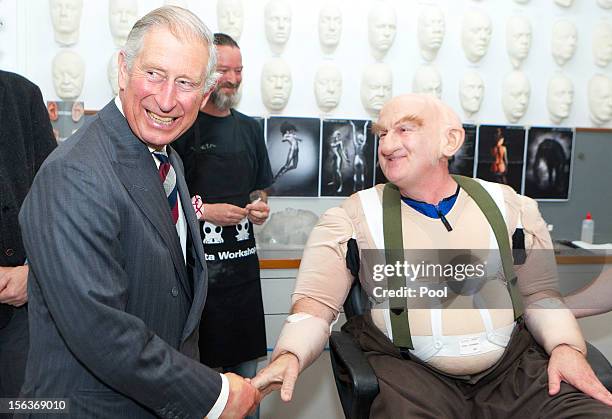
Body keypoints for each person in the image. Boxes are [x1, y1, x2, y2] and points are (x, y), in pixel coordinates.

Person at [253, 94, 612, 417]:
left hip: (513, 372)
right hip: (410, 377)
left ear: (449, 140)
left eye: (404, 129)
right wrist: (290, 355)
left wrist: (567, 347)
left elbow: (541, 296)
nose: (388, 144)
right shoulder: (352, 217)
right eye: (382, 134)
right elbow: (314, 308)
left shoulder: (510, 207)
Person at [18, 7, 259, 418]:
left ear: (203, 96)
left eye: (185, 83)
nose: (166, 100)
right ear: (123, 69)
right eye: (154, 74)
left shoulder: (167, 160)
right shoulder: (76, 172)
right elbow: (101, 331)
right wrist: (215, 395)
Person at [173, 33, 273, 419]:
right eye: (224, 70)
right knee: (197, 385)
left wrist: (260, 207)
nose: (232, 79)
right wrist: (204, 211)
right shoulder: (182, 127)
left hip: (243, 275)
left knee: (248, 384)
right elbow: (161, 198)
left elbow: (258, 192)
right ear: (206, 73)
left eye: (239, 70)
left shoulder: (249, 129)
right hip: (195, 278)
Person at [0, 71, 56, 404]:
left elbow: (57, 202)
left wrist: (34, 271)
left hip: (21, 311)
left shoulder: (22, 96)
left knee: (25, 407)